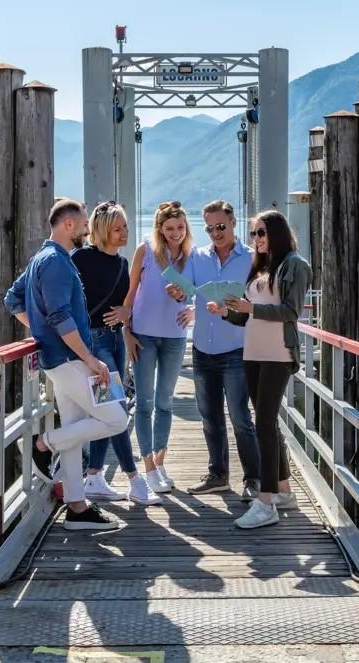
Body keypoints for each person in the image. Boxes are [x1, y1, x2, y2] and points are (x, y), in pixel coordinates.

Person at [3, 198, 128, 531]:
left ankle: (77, 507)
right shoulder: (57, 262)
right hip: (72, 360)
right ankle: (43, 443)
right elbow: (60, 316)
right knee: (118, 418)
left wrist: (41, 332)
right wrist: (91, 359)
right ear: (68, 224)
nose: (87, 230)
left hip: (59, 360)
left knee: (75, 430)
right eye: (84, 224)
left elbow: (12, 299)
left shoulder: (42, 259)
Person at [207, 210, 312, 529]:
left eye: (262, 233)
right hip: (252, 353)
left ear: (277, 233)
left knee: (263, 424)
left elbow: (290, 311)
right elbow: (246, 316)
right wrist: (226, 311)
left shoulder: (295, 265)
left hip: (277, 353)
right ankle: (283, 491)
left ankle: (266, 504)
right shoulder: (260, 267)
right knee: (268, 423)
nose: (256, 239)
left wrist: (250, 308)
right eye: (253, 233)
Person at [165, 201, 262, 500]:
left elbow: (260, 302)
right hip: (202, 349)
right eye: (209, 228)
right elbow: (187, 293)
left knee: (240, 418)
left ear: (233, 222)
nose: (216, 233)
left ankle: (254, 479)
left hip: (236, 349)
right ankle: (218, 475)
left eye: (220, 226)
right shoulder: (198, 255)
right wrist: (178, 293)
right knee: (209, 417)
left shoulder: (251, 258)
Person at [72, 201, 160, 506]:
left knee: (106, 409)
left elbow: (129, 303)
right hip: (94, 343)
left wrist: (126, 312)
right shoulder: (81, 259)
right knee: (117, 410)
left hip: (116, 341)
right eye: (117, 228)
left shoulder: (123, 264)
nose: (124, 232)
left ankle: (94, 476)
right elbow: (68, 300)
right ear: (102, 230)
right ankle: (135, 480)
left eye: (125, 226)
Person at [123, 200, 194, 493]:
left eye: (180, 227)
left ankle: (161, 463)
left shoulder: (192, 256)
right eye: (169, 228)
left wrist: (192, 309)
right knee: (144, 402)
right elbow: (129, 294)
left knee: (165, 402)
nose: (175, 233)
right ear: (160, 229)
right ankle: (149, 467)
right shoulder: (145, 251)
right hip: (143, 336)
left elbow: (199, 294)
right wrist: (126, 331)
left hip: (175, 336)